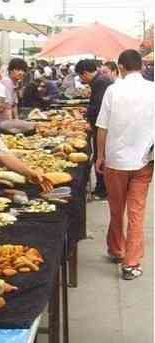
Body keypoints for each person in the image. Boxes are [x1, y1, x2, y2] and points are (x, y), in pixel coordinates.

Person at [95, 49, 154, 280]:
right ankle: (131, 264)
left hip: (115, 161)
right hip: (144, 161)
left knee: (116, 208)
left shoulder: (113, 90)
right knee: (137, 212)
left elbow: (102, 127)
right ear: (140, 66)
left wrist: (99, 156)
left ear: (120, 66)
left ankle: (116, 249)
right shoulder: (153, 90)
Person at [75, 59, 113, 199]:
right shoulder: (100, 80)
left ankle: (102, 190)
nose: (81, 79)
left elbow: (99, 107)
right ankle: (102, 188)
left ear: (85, 73)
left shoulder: (100, 82)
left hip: (101, 126)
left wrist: (89, 120)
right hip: (99, 124)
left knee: (100, 156)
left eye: (80, 76)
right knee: (99, 156)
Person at [0, 58, 36, 134]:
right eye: (17, 70)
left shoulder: (14, 83)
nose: (21, 73)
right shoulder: (7, 82)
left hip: (5, 122)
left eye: (23, 70)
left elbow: (14, 107)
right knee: (32, 126)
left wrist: (17, 122)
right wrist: (13, 128)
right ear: (10, 71)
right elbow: (7, 107)